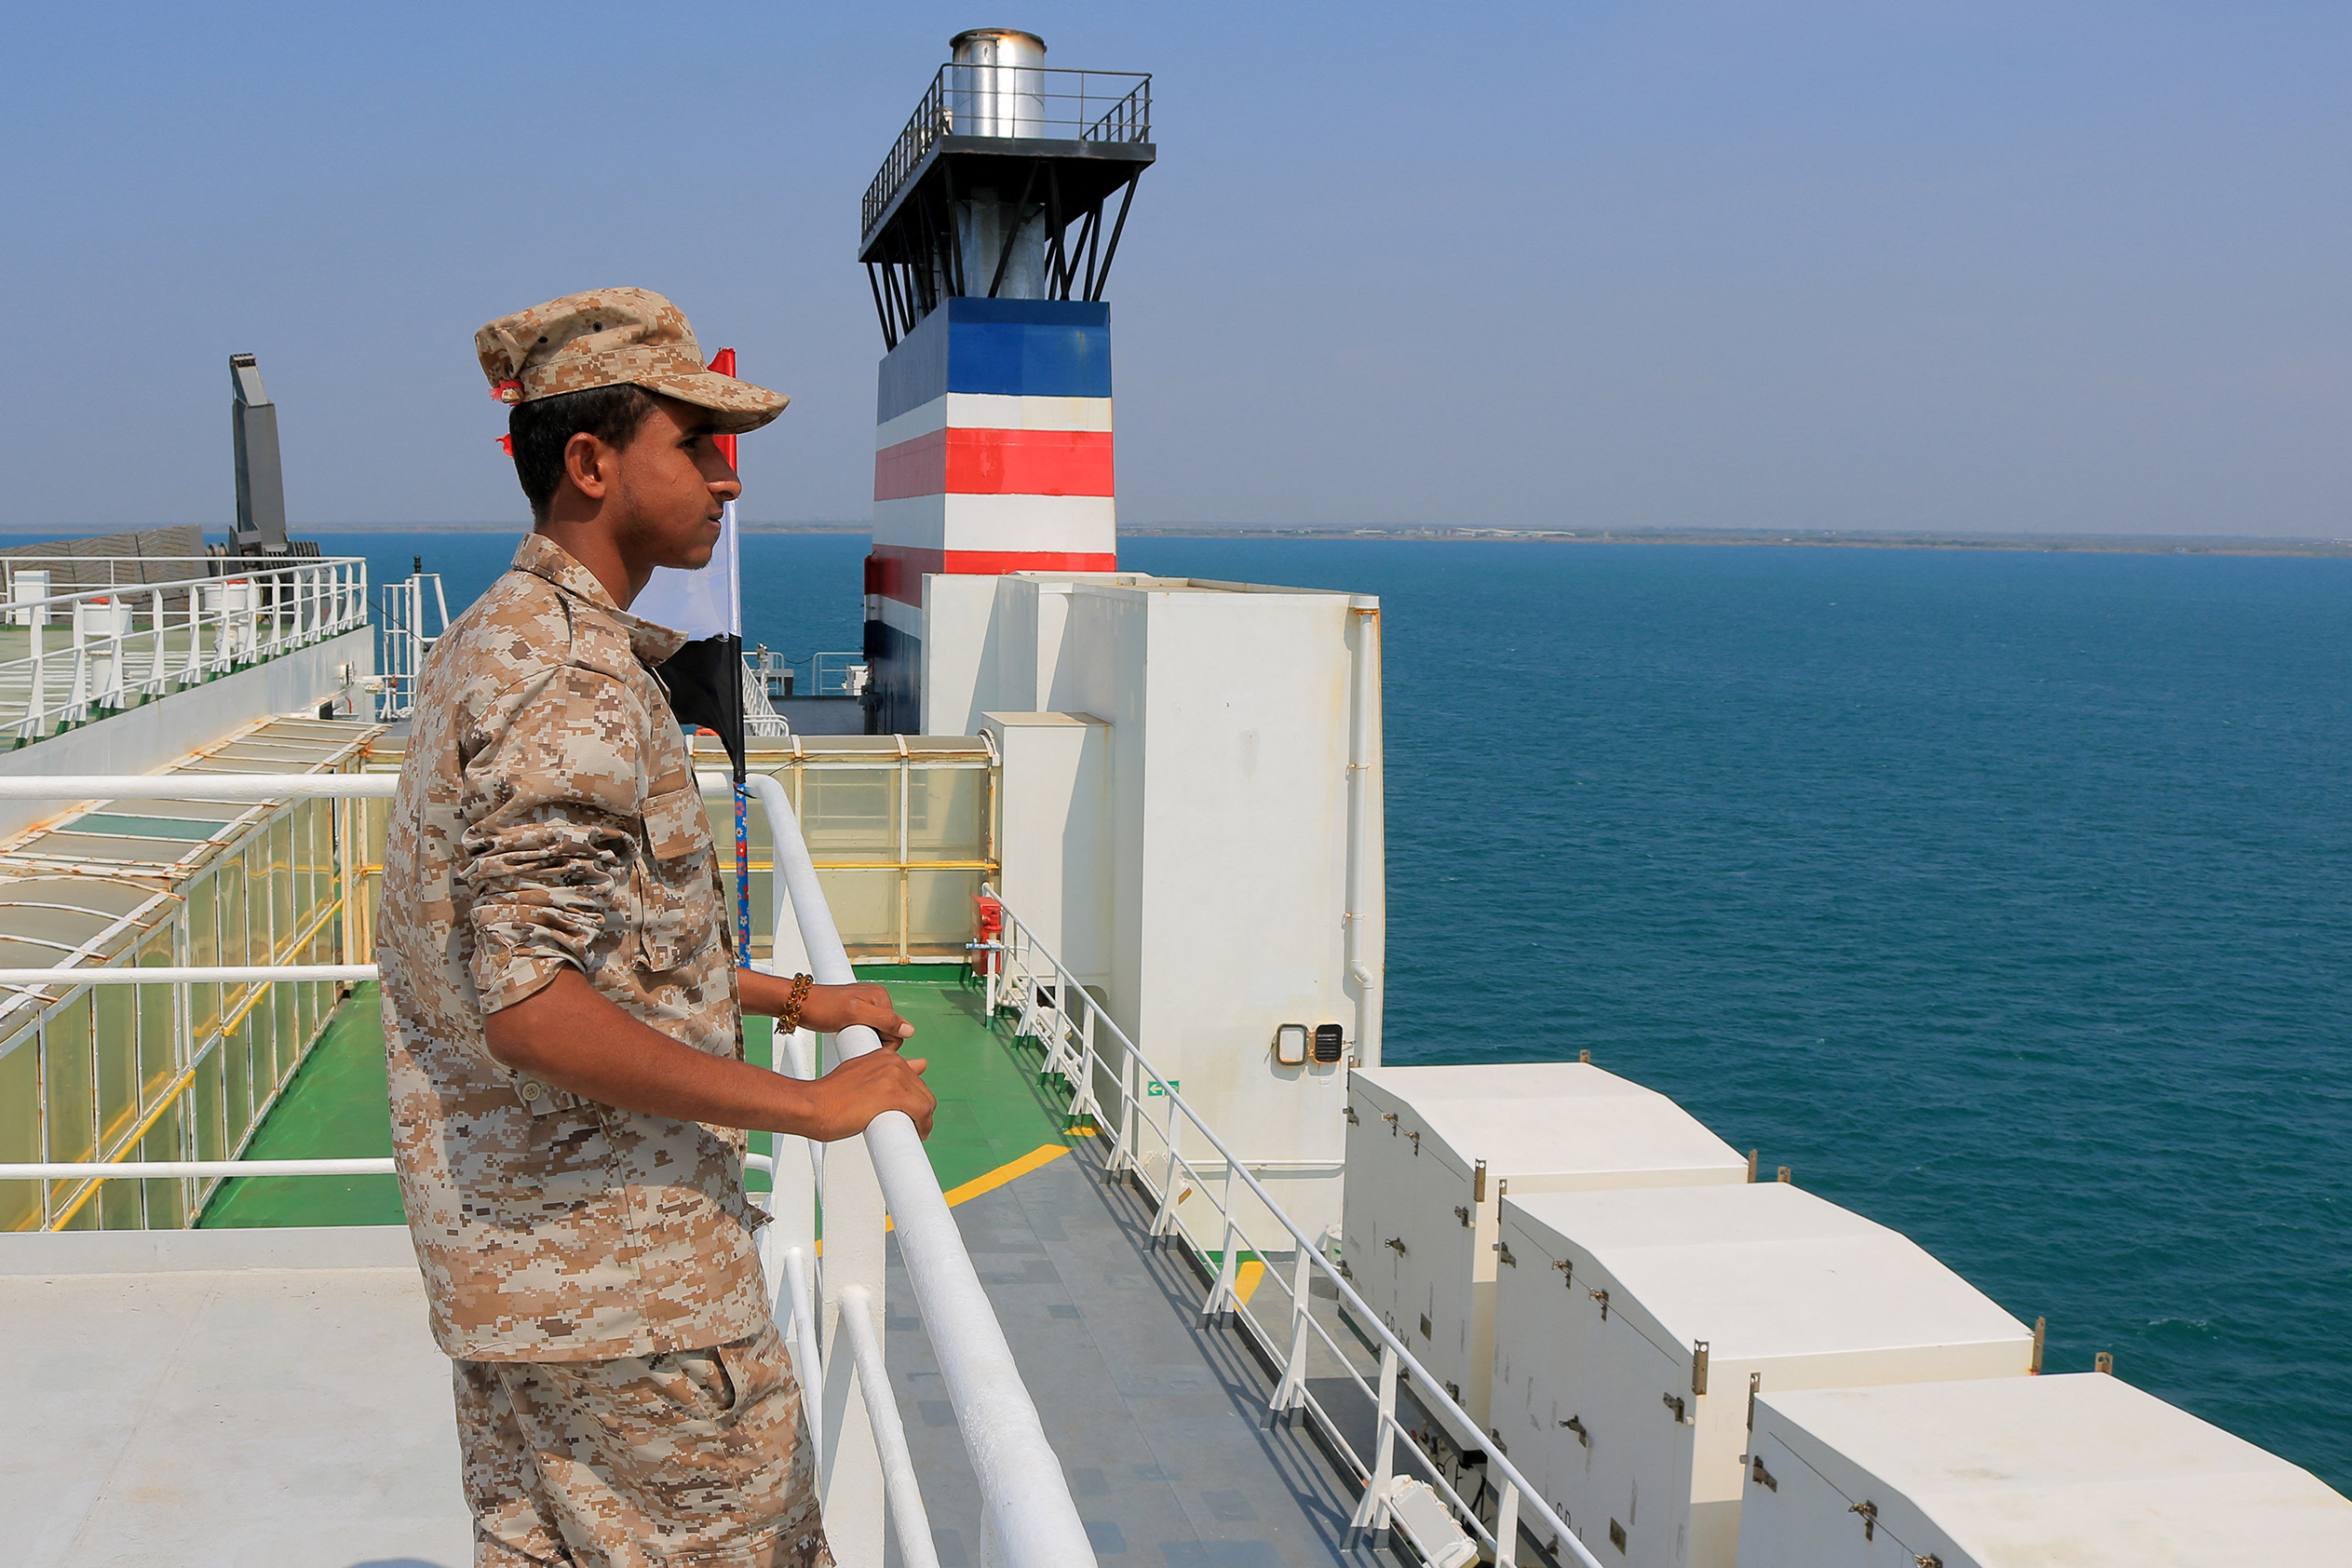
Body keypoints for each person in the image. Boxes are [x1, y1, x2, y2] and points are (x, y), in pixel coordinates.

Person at [376, 286, 936, 1567]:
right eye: (694, 444)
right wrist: (809, 1104)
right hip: (629, 1296)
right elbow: (529, 1003)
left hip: (519, 1276)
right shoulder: (572, 677)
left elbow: (575, 941)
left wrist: (794, 1001)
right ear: (590, 461)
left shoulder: (495, 640)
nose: (726, 481)